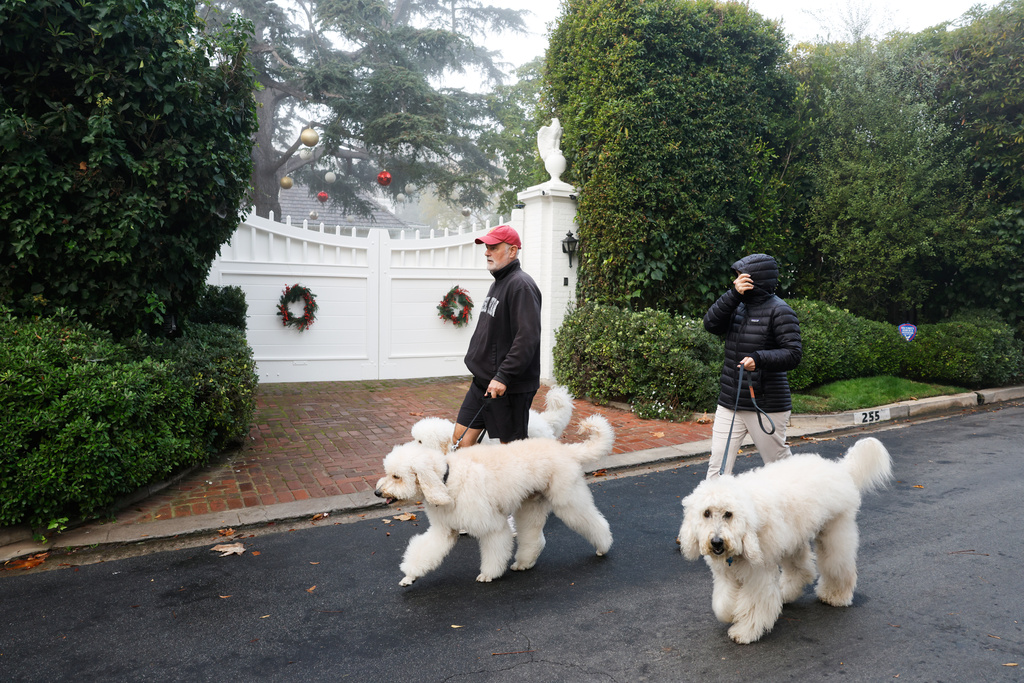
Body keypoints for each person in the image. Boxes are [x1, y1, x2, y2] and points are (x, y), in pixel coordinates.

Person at [703, 253, 802, 478]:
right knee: (717, 468)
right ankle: (711, 513)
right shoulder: (735, 305)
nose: (735, 281)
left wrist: (758, 359)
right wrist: (732, 295)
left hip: (766, 404)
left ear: (754, 278)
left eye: (740, 276)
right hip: (730, 401)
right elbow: (710, 324)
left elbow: (793, 354)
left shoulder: (780, 310)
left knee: (780, 469)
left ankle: (800, 509)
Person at [453, 225, 542, 448]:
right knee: (460, 439)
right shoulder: (500, 282)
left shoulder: (520, 285)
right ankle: (473, 483)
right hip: (483, 381)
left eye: (493, 247)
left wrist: (503, 376)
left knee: (512, 450)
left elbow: (527, 337)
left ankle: (527, 484)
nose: (486, 252)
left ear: (512, 251)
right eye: (486, 247)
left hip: (508, 386)